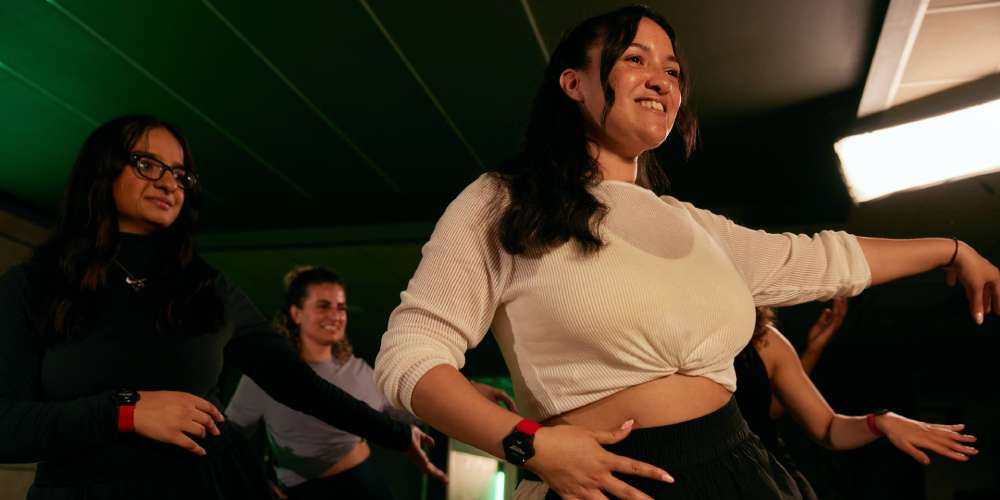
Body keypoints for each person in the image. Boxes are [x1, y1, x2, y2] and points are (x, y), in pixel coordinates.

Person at [372, 5, 1000, 500]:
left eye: (673, 69)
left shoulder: (694, 226)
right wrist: (527, 446)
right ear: (573, 83)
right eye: (635, 58)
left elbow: (820, 259)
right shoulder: (504, 201)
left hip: (738, 467)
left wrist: (950, 248)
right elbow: (409, 359)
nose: (662, 79)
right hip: (606, 480)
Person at [0, 115, 440, 499]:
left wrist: (397, 434)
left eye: (179, 173)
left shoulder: (208, 288)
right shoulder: (33, 286)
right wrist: (124, 410)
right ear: (101, 171)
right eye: (147, 164)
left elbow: (300, 385)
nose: (169, 182)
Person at [226, 266, 513, 499]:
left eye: (341, 307)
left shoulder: (360, 371)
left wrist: (468, 391)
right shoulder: (264, 376)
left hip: (362, 485)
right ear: (296, 314)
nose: (335, 316)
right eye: (323, 306)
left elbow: (416, 401)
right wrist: (260, 485)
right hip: (303, 492)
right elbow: (231, 437)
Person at [734, 302, 978, 499]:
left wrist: (881, 422)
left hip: (764, 482)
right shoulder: (697, 342)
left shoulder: (763, 340)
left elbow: (825, 427)